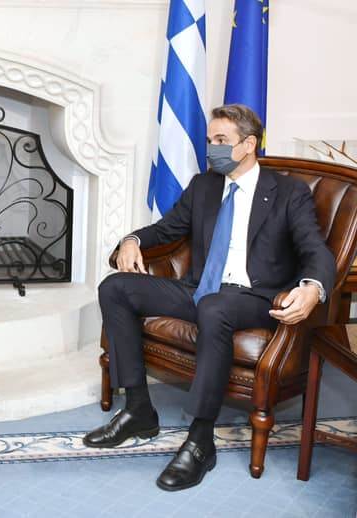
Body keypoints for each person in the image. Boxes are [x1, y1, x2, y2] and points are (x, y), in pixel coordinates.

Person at [84, 104, 335, 491]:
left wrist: (313, 288)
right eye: (209, 140)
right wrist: (131, 240)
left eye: (221, 140)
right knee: (115, 287)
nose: (211, 148)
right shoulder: (204, 186)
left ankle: (201, 441)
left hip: (254, 297)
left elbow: (315, 249)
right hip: (200, 289)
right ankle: (138, 410)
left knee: (215, 307)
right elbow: (166, 229)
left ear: (248, 144)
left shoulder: (288, 192)